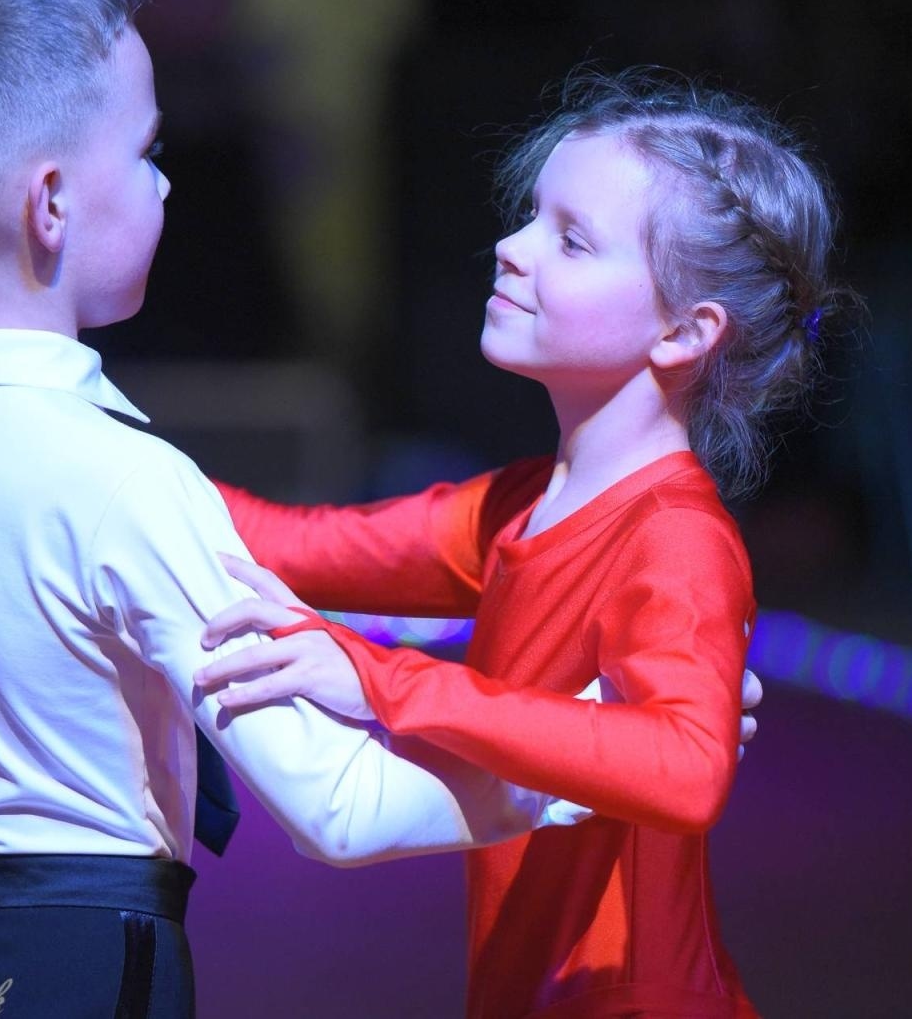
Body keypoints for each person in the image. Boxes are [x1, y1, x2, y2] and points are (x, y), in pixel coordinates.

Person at [0, 0, 586, 1014]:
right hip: (84, 968)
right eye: (145, 153)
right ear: (50, 201)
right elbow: (339, 806)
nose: (166, 180)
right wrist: (588, 748)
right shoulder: (131, 481)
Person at [193, 71, 853, 1018]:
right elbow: (278, 541)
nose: (509, 248)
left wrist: (383, 679)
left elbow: (688, 768)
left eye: (570, 240)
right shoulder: (514, 508)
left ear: (683, 330)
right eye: (530, 218)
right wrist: (38, 401)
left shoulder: (676, 539)